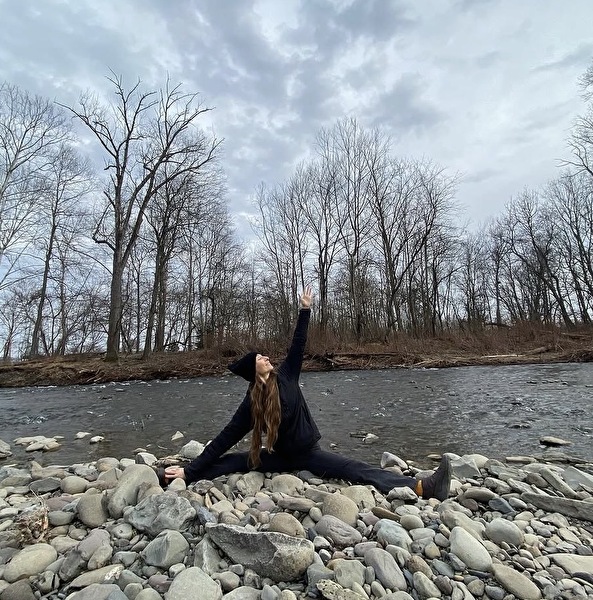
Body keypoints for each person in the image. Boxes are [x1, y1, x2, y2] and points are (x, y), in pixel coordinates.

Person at [163, 286, 451, 501]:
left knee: (355, 469)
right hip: (279, 458)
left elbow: (298, 343)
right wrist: (190, 471)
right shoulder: (252, 403)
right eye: (260, 358)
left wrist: (305, 310)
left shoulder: (287, 374)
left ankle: (422, 487)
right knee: (232, 461)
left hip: (309, 454)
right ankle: (175, 475)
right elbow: (225, 438)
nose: (266, 357)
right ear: (254, 369)